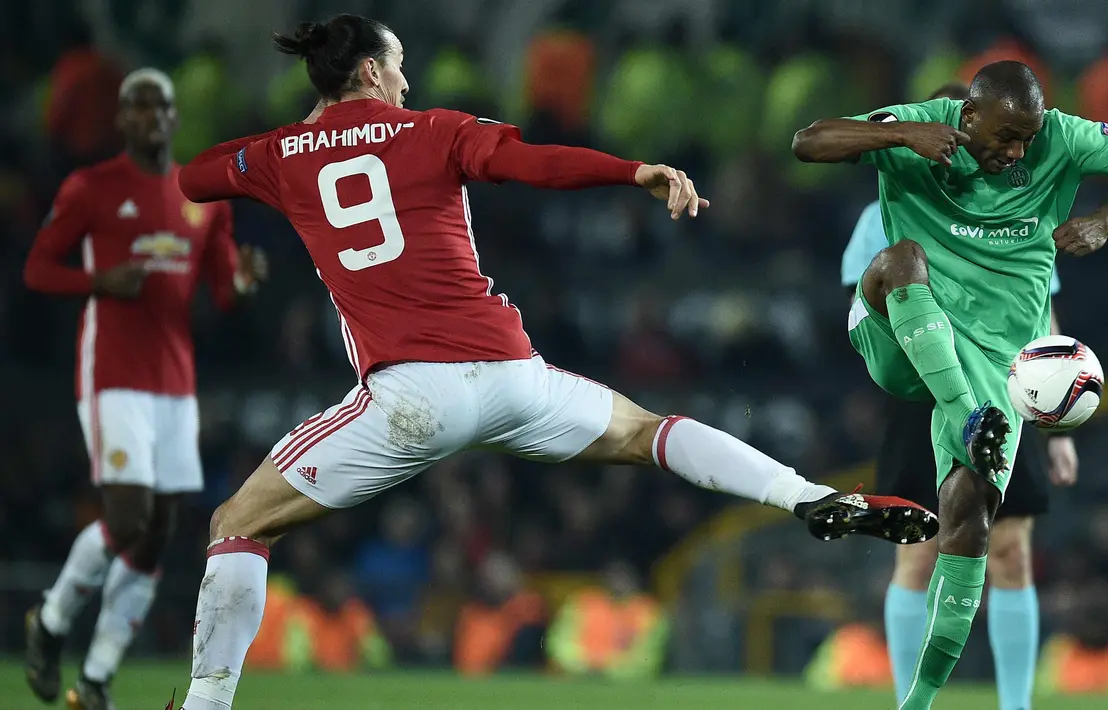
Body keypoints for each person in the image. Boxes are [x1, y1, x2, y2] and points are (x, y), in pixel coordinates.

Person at [168, 15, 938, 710]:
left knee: (238, 523)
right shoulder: (435, 129)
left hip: (410, 395)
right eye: (397, 64)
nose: (406, 78)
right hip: (511, 374)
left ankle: (205, 706)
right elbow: (529, 162)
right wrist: (633, 171)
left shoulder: (273, 156)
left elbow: (193, 177)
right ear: (370, 72)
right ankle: (804, 496)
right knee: (647, 431)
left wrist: (303, 133)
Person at [793, 61, 1108, 709]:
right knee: (900, 259)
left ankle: (918, 702)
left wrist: (1106, 219)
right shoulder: (917, 129)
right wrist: (898, 137)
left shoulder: (1058, 136)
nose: (1017, 152)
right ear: (966, 117)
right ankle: (968, 420)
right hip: (902, 341)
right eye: (1005, 137)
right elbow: (807, 141)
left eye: (1026, 139)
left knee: (969, 526)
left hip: (999, 375)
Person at [23, 69, 268, 710]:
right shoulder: (92, 188)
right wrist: (99, 283)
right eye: (138, 107)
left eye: (161, 107)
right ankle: (50, 621)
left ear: (174, 118)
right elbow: (38, 268)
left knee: (158, 531)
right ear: (122, 120)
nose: (151, 117)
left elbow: (221, 293)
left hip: (174, 379)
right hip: (112, 372)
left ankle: (97, 677)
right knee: (128, 517)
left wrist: (240, 285)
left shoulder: (203, 197)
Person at [839, 82, 1080, 710]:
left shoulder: (1021, 204)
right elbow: (870, 309)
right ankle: (907, 702)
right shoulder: (883, 215)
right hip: (924, 397)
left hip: (1007, 392)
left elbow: (1042, 314)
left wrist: (1058, 425)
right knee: (916, 554)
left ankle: (1016, 705)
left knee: (1011, 553)